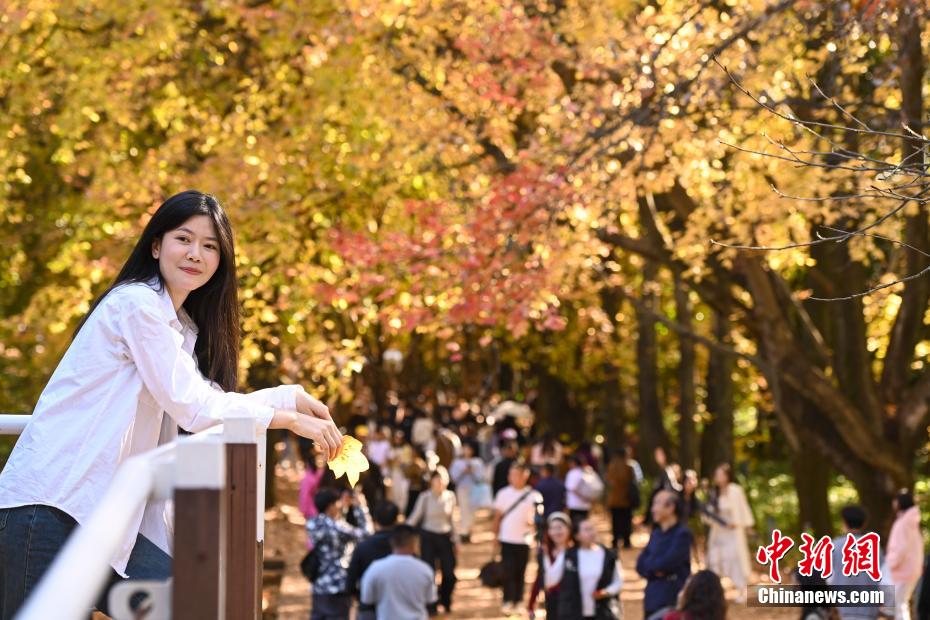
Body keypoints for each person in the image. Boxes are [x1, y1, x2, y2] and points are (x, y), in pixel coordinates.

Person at [0, 191, 343, 619]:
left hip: (102, 519)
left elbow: (203, 397)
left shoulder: (180, 327)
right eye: (184, 238)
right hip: (50, 505)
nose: (195, 253)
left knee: (196, 604)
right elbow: (192, 407)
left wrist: (288, 395)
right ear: (157, 245)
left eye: (210, 245)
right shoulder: (135, 306)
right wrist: (286, 418)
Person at [306, 488, 373, 619]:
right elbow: (367, 534)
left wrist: (344, 509)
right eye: (337, 503)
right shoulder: (338, 528)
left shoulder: (313, 523)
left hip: (319, 585)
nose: (340, 505)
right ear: (330, 506)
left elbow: (332, 526)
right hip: (338, 587)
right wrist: (361, 507)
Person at [544, 518, 623, 619]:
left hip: (603, 613)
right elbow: (550, 580)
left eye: (592, 528)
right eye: (586, 529)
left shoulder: (609, 555)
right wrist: (545, 556)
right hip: (573, 613)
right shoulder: (568, 555)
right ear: (577, 536)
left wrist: (606, 592)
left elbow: (618, 582)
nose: (591, 532)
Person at [492, 461, 544, 614]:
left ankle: (518, 600)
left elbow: (538, 519)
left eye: (517, 474)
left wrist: (533, 524)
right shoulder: (502, 493)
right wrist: (495, 536)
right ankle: (507, 600)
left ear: (525, 476)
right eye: (511, 474)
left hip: (524, 540)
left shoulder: (534, 496)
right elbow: (497, 517)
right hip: (506, 539)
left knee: (521, 571)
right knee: (508, 570)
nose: (513, 477)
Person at [407, 468, 458, 614]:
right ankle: (431, 604)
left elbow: (453, 519)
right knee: (429, 573)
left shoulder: (450, 496)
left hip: (445, 537)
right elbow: (415, 517)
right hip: (428, 537)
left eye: (443, 478)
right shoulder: (425, 497)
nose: (441, 482)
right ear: (432, 481)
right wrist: (403, 532)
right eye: (438, 479)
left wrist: (457, 539)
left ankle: (446, 600)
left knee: (449, 573)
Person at [636, 490, 693, 620]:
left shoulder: (682, 535)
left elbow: (667, 562)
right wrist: (655, 569)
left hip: (672, 597)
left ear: (671, 507)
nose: (653, 509)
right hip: (652, 597)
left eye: (657, 504)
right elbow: (640, 565)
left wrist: (654, 566)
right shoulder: (656, 534)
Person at [361, 524, 437, 620]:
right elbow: (430, 599)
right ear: (414, 543)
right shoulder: (425, 570)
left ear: (391, 542)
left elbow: (367, 599)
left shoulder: (376, 568)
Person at [705, 463, 754, 604]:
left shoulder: (735, 491)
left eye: (721, 474)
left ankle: (741, 590)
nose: (718, 478)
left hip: (733, 532)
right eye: (717, 474)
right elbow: (708, 513)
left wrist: (745, 525)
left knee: (735, 560)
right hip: (719, 533)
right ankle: (715, 591)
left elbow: (743, 508)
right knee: (716, 560)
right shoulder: (714, 493)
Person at [826, 505, 884, 620]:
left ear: (844, 522)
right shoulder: (874, 547)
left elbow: (828, 577)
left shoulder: (834, 546)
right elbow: (884, 578)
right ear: (864, 523)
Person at [347, 501, 400, 620]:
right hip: (398, 607)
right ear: (396, 520)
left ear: (375, 520)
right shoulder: (404, 548)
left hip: (369, 607)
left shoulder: (363, 547)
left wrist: (358, 596)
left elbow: (350, 582)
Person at [528, 511, 574, 619]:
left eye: (559, 527)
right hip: (551, 601)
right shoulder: (545, 553)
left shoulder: (574, 553)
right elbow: (540, 577)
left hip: (571, 603)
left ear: (568, 529)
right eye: (552, 528)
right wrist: (531, 604)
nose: (556, 532)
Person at [886, 490, 924, 620]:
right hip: (912, 569)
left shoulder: (903, 524)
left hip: (902, 570)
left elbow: (899, 549)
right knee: (902, 603)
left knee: (899, 604)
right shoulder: (912, 523)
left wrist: (889, 564)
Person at [449, 441, 486, 542]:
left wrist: (473, 471)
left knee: (472, 511)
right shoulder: (457, 462)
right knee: (464, 510)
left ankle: (469, 530)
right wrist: (463, 472)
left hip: (474, 490)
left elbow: (481, 478)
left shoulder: (477, 462)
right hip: (462, 489)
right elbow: (453, 478)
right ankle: (464, 531)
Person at [606, 447, 636, 549]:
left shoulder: (611, 467)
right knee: (626, 521)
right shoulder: (629, 467)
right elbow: (633, 481)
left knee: (615, 521)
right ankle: (626, 540)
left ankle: (615, 541)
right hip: (626, 499)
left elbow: (608, 482)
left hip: (614, 499)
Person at [565, 455, 596, 525]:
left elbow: (572, 488)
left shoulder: (572, 473)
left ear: (573, 463)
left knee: (575, 525)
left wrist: (582, 497)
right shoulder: (586, 472)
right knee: (583, 524)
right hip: (586, 504)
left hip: (575, 504)